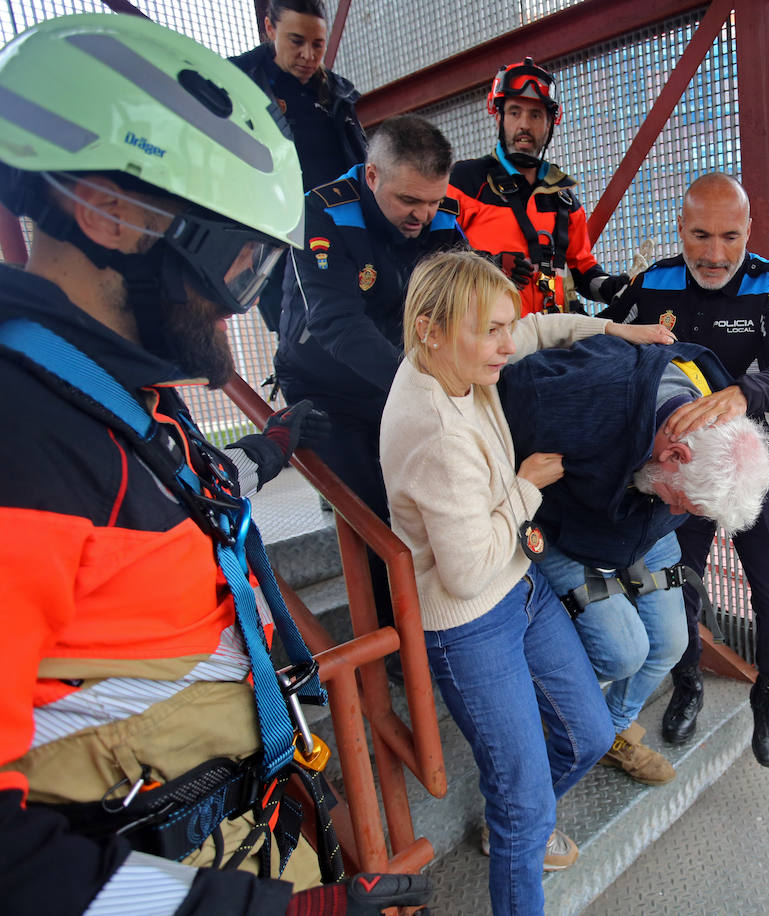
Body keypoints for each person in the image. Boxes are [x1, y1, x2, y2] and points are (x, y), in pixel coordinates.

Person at [0, 13, 429, 915]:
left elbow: (188, 500)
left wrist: (272, 446)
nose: (236, 312)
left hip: (239, 818)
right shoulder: (23, 449)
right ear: (107, 211)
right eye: (232, 267)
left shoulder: (109, 402)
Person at [379, 250, 672, 915]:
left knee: (591, 735)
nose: (508, 345)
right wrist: (524, 489)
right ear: (430, 329)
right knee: (524, 799)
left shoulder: (450, 359)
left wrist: (617, 332)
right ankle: (522, 828)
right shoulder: (435, 436)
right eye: (490, 331)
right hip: (466, 621)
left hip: (520, 587)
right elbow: (465, 569)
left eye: (505, 326)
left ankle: (521, 822)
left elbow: (538, 331)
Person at [601, 172, 769, 768]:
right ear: (680, 229)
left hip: (755, 468)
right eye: (700, 236)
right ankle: (689, 682)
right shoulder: (651, 284)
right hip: (678, 476)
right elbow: (602, 341)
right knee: (677, 595)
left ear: (749, 230)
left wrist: (747, 393)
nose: (715, 253)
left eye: (730, 236)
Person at [496, 334, 769, 784]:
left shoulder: (705, 417)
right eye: (684, 501)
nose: (680, 510)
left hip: (638, 525)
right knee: (620, 654)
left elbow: (673, 497)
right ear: (675, 453)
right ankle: (568, 724)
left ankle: (609, 732)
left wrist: (672, 499)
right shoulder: (580, 399)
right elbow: (505, 404)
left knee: (671, 642)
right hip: (567, 527)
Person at [276, 113, 466, 635]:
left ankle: (440, 620)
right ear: (372, 175)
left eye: (432, 201)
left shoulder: (442, 214)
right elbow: (336, 322)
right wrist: (424, 385)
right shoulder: (321, 212)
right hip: (325, 389)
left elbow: (466, 297)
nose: (423, 216)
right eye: (410, 201)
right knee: (381, 512)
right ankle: (398, 638)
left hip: (402, 379)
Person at [448, 57, 630, 316]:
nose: (524, 124)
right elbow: (435, 257)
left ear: (550, 123)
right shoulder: (466, 181)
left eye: (535, 114)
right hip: (493, 341)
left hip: (557, 339)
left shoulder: (564, 198)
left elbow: (582, 270)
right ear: (497, 116)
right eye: (514, 112)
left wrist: (612, 286)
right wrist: (490, 265)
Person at [229, 0, 367, 332]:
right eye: (296, 41)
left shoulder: (338, 94)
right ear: (270, 30)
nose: (308, 55)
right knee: (294, 328)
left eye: (317, 44)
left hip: (337, 231)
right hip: (275, 234)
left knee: (352, 321)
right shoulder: (236, 83)